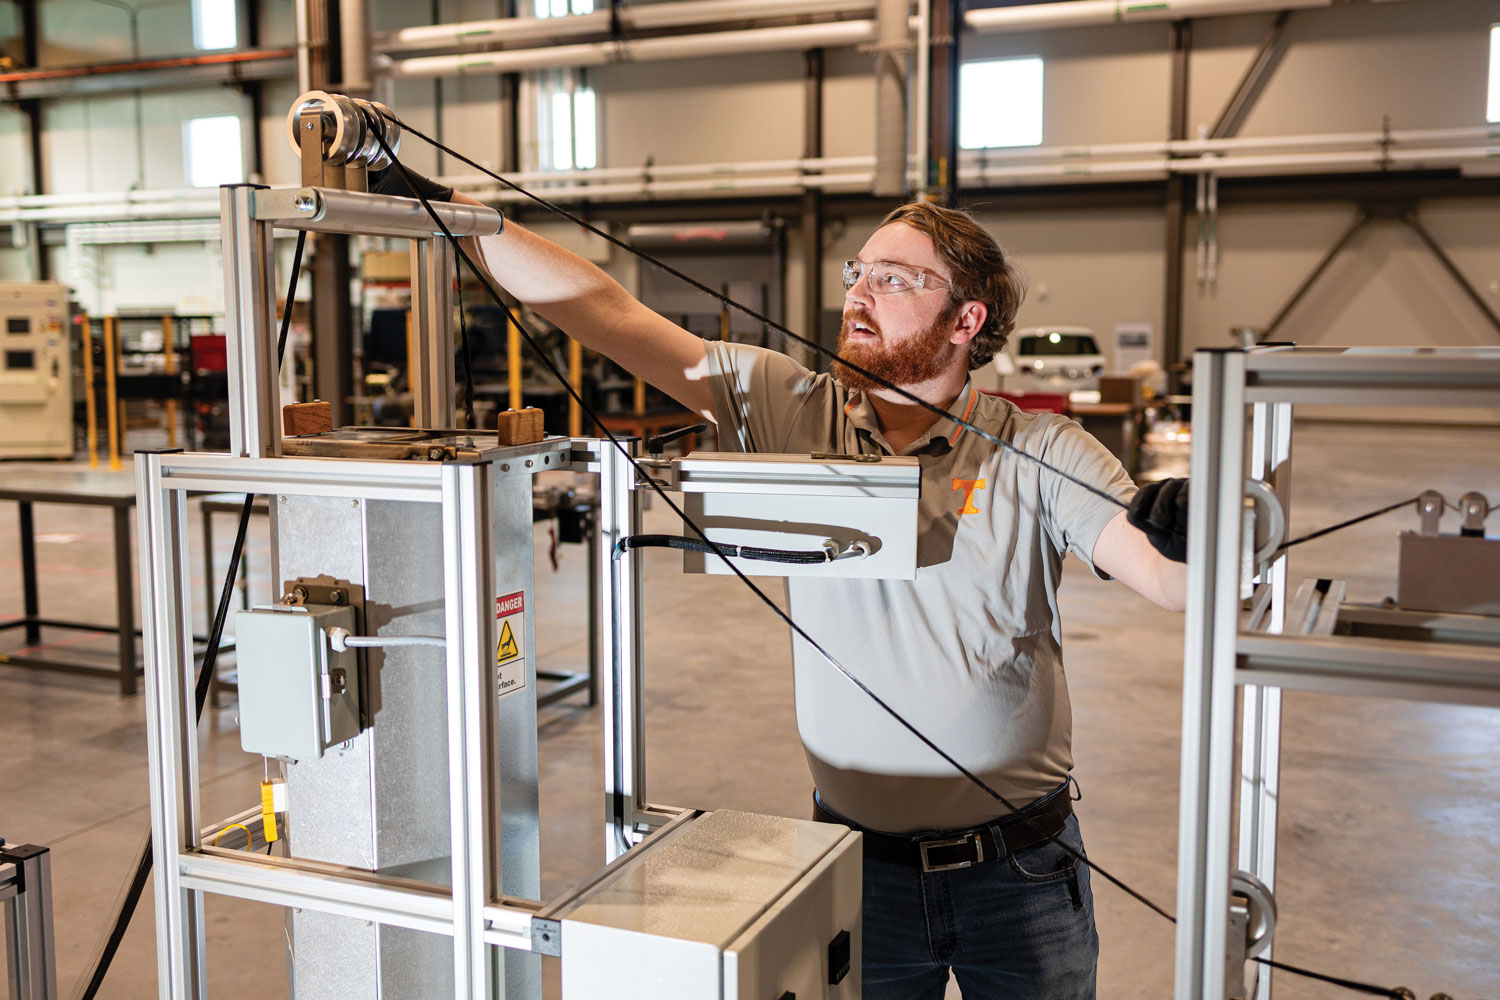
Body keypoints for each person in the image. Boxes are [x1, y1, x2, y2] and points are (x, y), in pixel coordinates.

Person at [380, 170, 1189, 999]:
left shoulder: (1041, 449)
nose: (859, 295)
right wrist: (454, 212)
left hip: (1018, 875)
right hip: (855, 864)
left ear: (966, 318)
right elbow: (607, 313)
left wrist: (1188, 531)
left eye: (894, 278)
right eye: (857, 274)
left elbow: (1165, 579)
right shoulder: (793, 409)